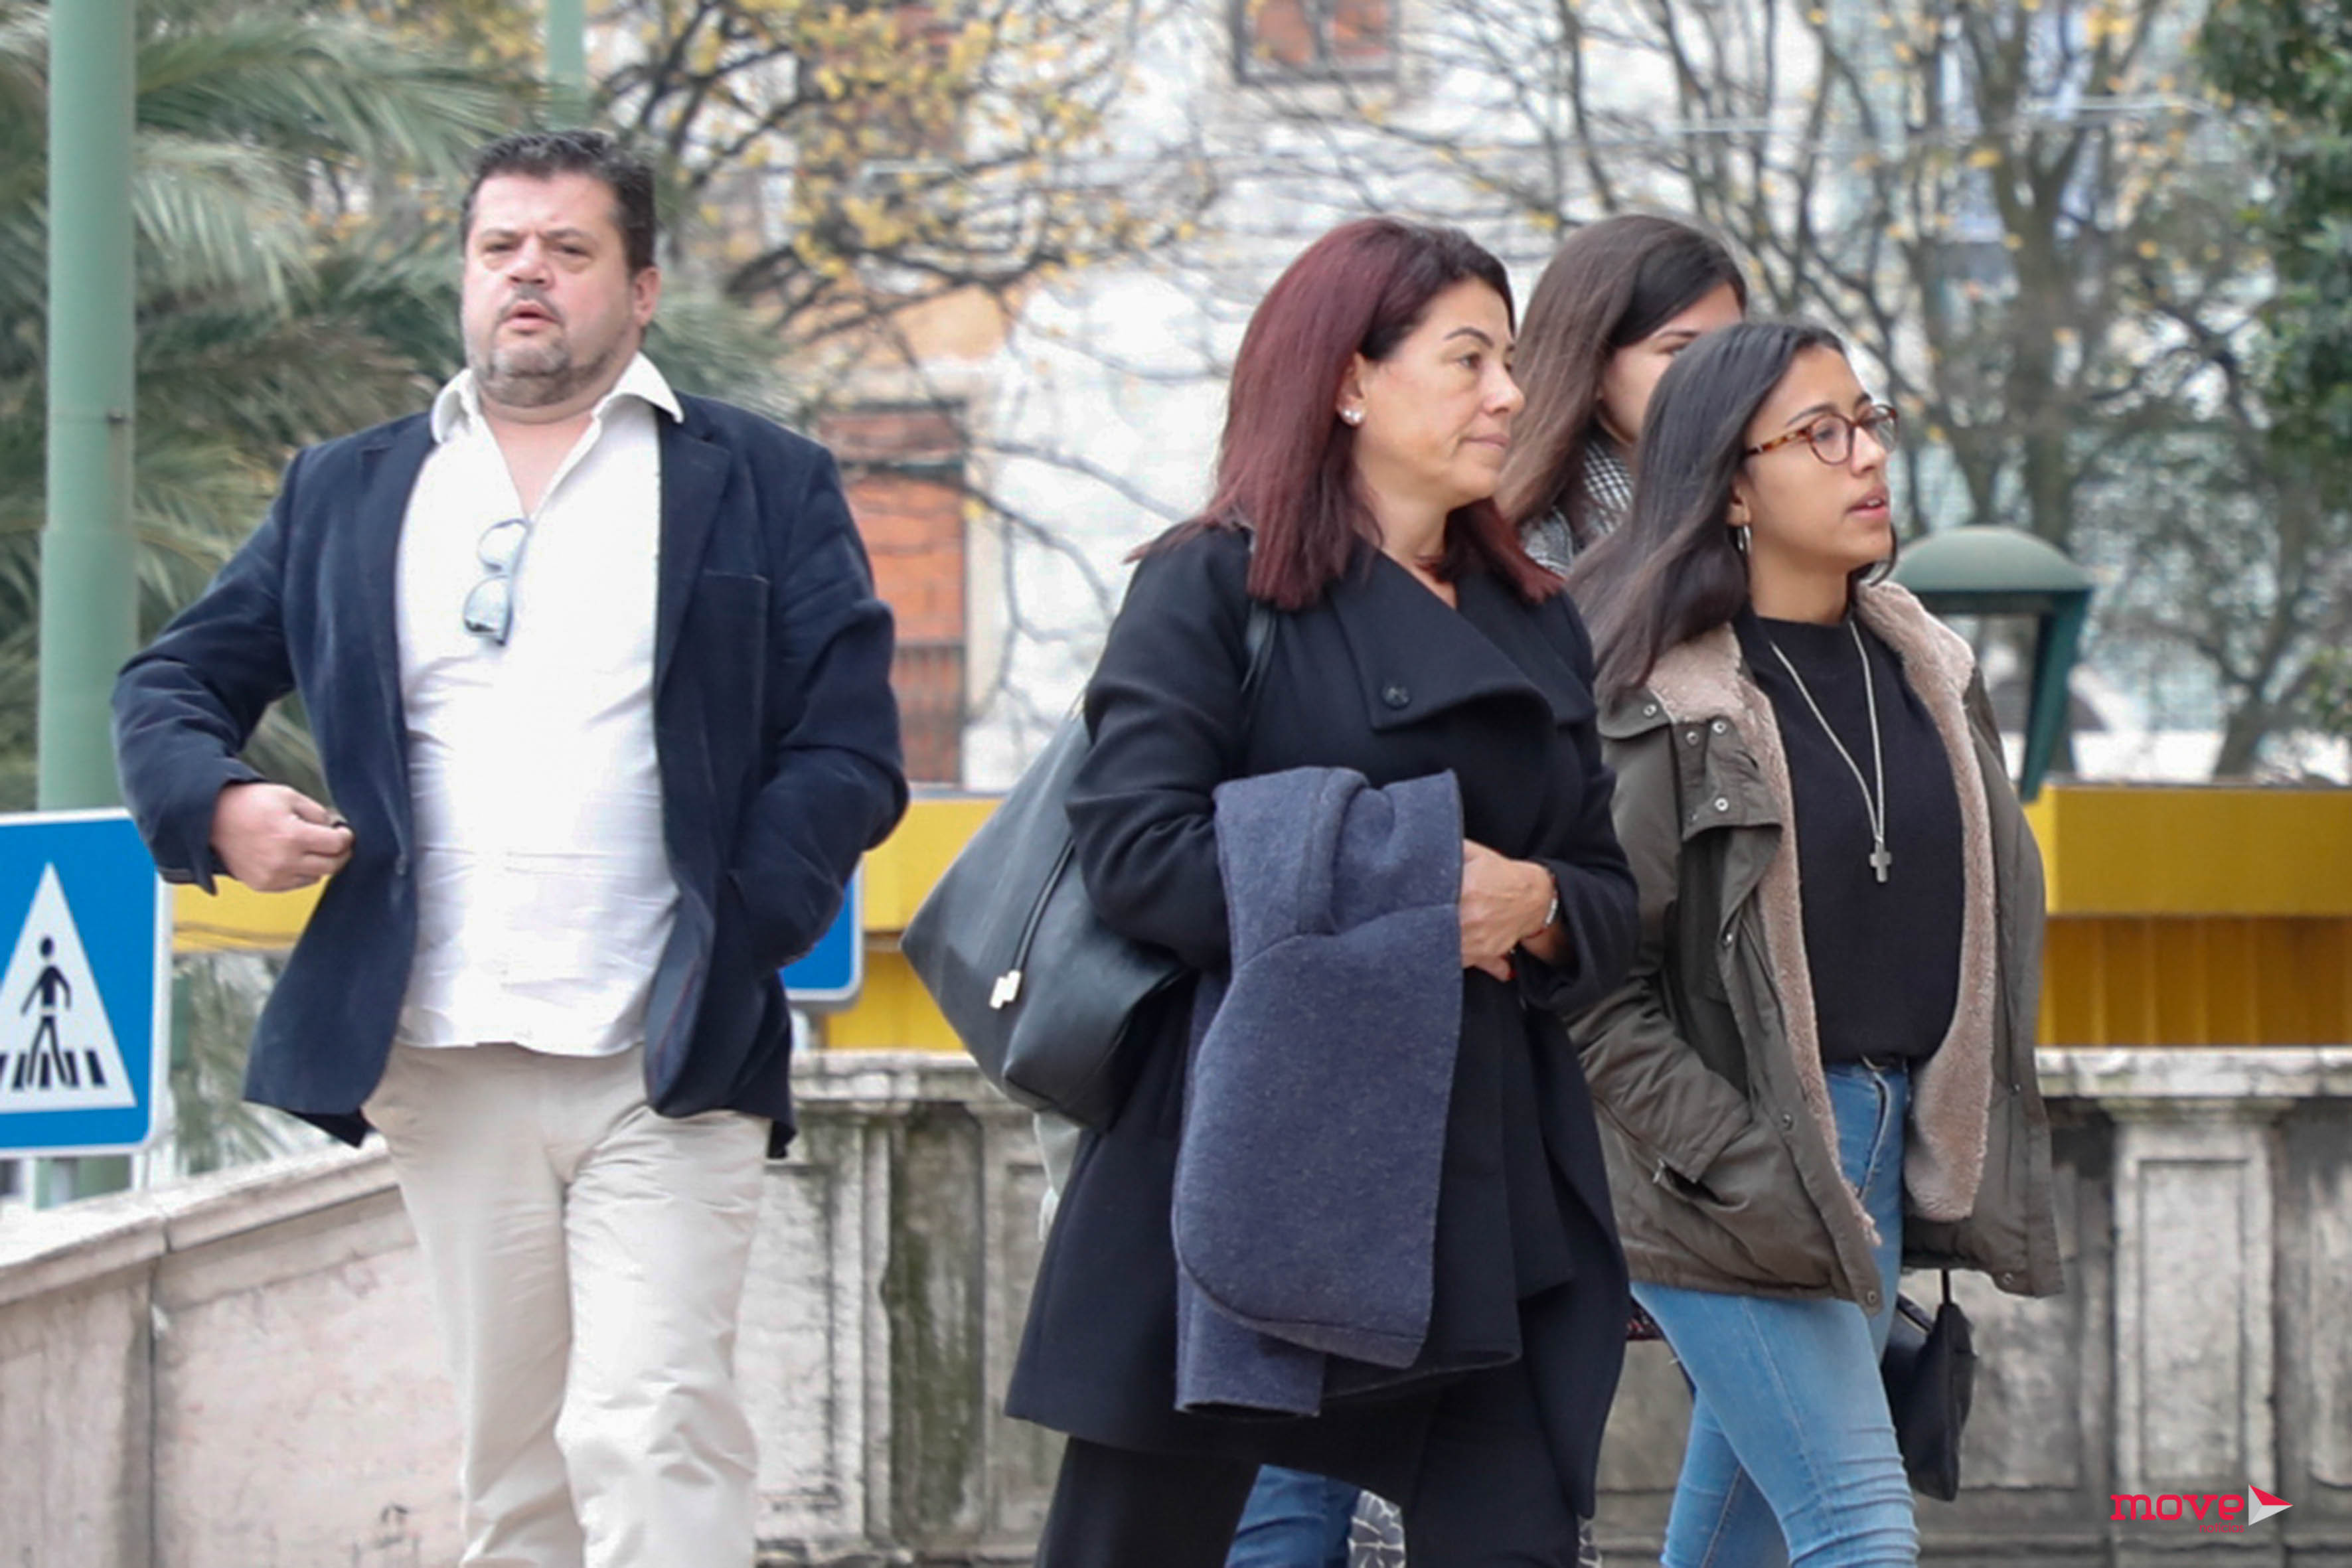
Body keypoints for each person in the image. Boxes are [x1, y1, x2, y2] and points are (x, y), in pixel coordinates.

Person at [112, 129, 906, 1567]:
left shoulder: (761, 480)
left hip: (665, 1048)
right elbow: (172, 683)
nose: (527, 273)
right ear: (465, 276)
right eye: (500, 248)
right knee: (514, 1469)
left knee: (654, 1424)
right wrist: (219, 805)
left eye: (568, 249)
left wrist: (740, 920)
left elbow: (847, 747)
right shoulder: (348, 488)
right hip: (441, 1050)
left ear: (641, 287)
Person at [1004, 216, 1638, 1568]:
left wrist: (1533, 904)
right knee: (1134, 1544)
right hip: (1237, 1149)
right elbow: (1137, 853)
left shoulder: (1533, 612)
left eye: (1510, 361)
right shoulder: (1208, 583)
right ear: (1349, 379)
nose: (1508, 395)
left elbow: (1604, 890)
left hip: (1480, 1166)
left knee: (1517, 1537)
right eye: (1466, 358)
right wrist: (1410, 894)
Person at [1563, 321, 2063, 1567]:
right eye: (1817, 434)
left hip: (1878, 1145)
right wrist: (1736, 1162)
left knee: (1738, 1539)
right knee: (1857, 1526)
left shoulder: (1927, 668)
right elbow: (1590, 990)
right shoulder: (1663, 701)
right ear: (1730, 487)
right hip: (1721, 1165)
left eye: (1866, 422)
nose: (1866, 457)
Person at [1498, 214, 1747, 574]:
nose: (1720, 375)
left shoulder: (1752, 513)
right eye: (1680, 351)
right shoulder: (1543, 552)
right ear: (1593, 365)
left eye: (1736, 351)